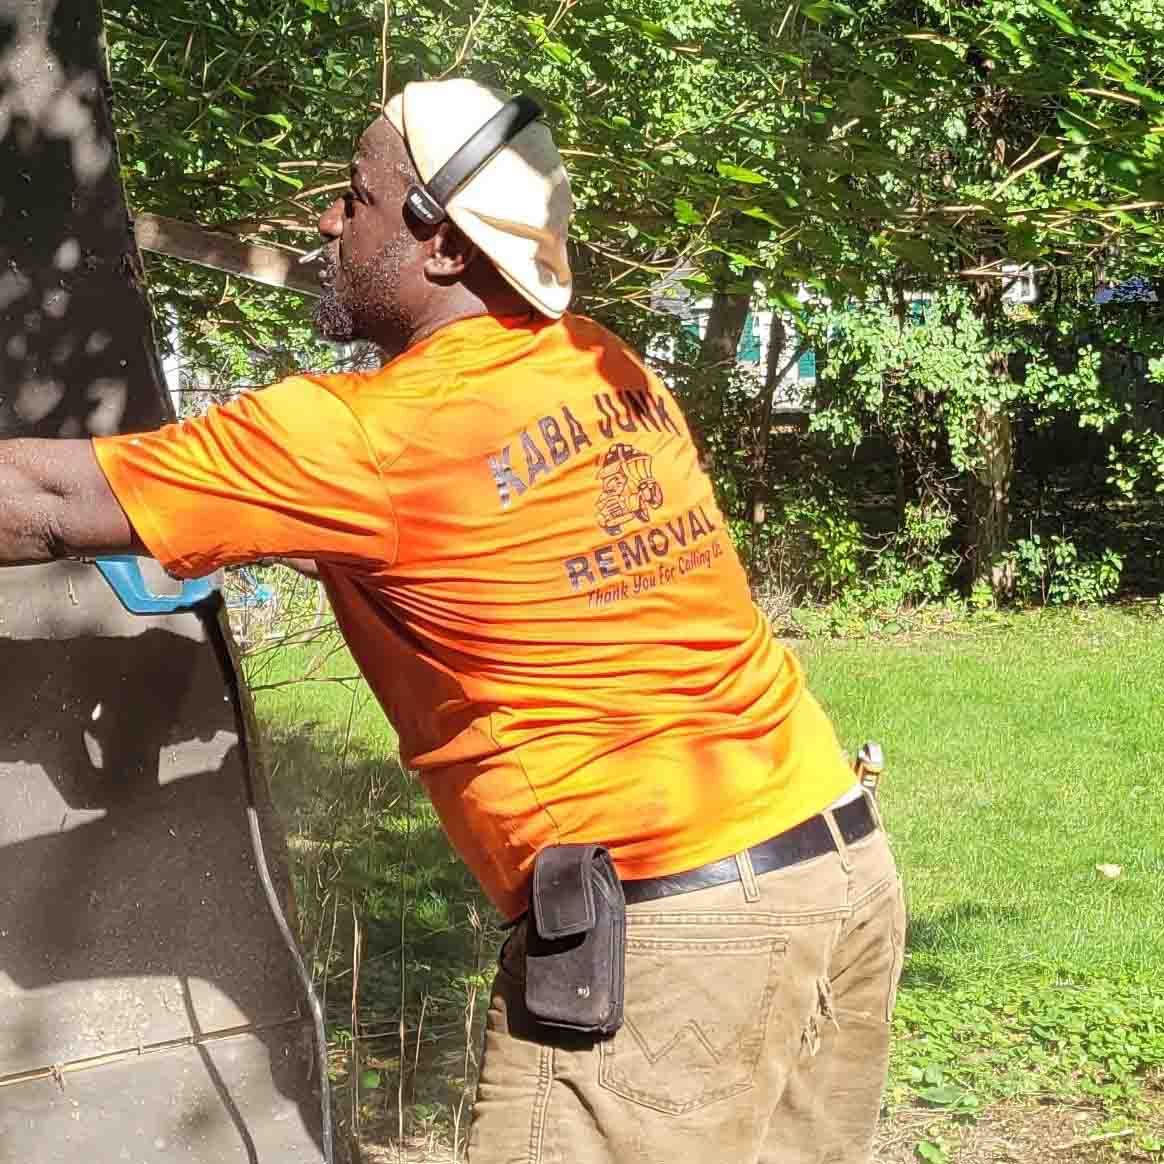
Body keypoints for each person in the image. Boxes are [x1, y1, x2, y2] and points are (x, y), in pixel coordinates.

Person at [0, 78, 904, 1163]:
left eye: (357, 196)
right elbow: (519, 564)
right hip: (836, 871)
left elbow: (48, 505)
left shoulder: (365, 438)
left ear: (440, 244)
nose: (327, 220)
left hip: (676, 941)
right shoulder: (604, 367)